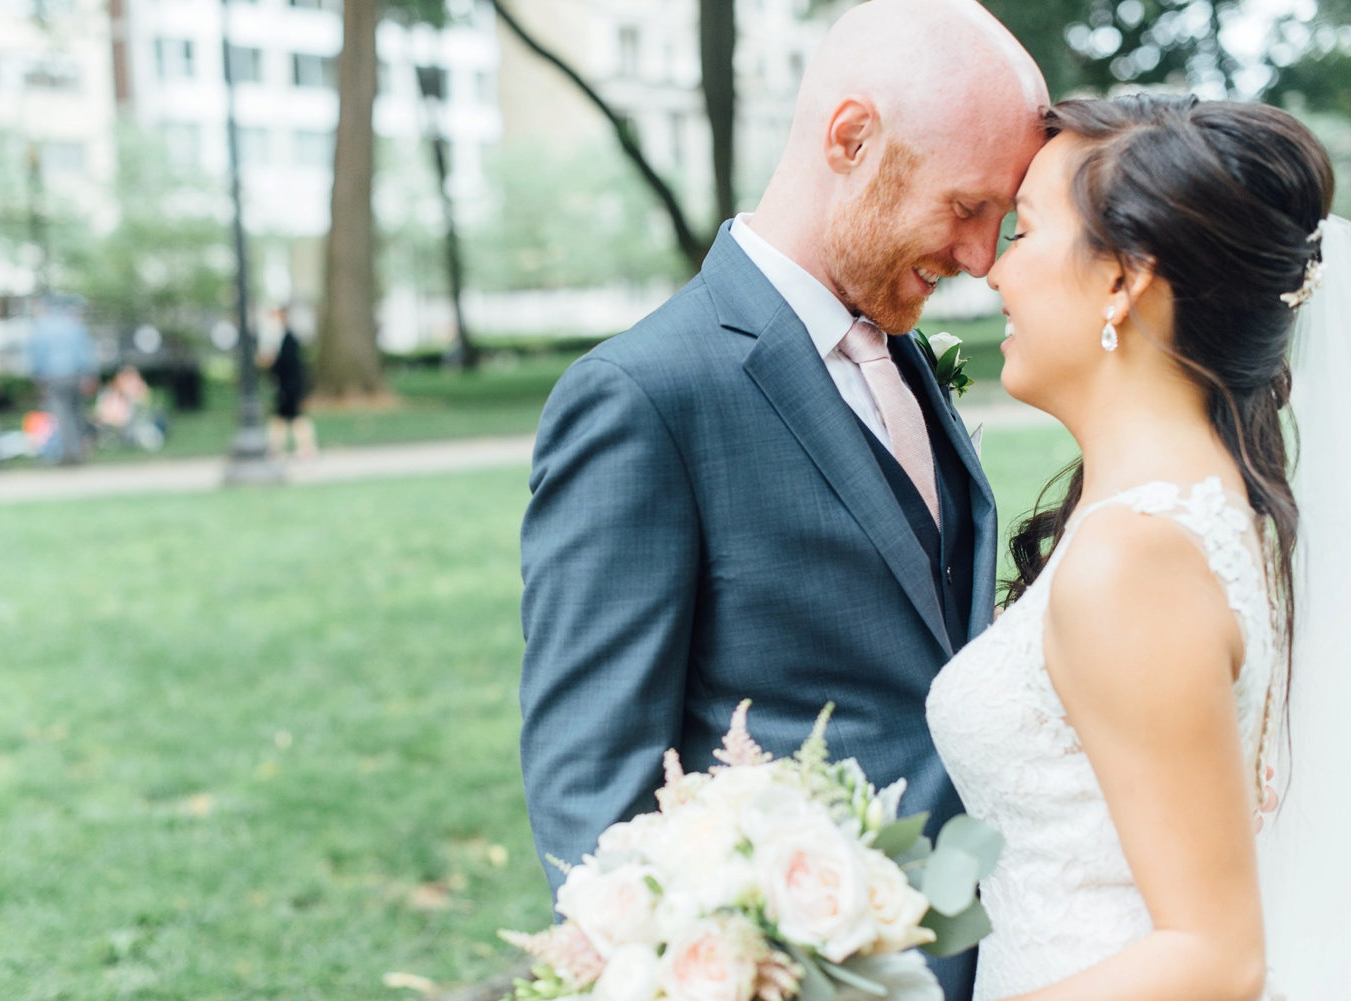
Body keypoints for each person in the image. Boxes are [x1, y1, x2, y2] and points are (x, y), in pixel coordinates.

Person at [517, 3, 1046, 998]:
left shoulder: (908, 356)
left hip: (991, 951)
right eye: (968, 205)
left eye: (1002, 219)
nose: (983, 256)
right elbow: (593, 800)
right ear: (852, 139)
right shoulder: (645, 397)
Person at [926, 97, 1334, 1000]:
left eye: (1025, 232)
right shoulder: (1193, 513)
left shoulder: (1135, 557)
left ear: (1123, 279)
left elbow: (1213, 956)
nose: (995, 270)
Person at [27, 294, 97, 465]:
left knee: (62, 415)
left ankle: (70, 453)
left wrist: (38, 376)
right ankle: (81, 449)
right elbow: (86, 352)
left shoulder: (41, 327)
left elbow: (37, 355)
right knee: (77, 412)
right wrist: (90, 375)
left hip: (53, 377)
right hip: (75, 375)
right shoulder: (73, 325)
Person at [267, 309, 317, 461]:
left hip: (289, 388)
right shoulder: (284, 339)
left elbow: (287, 365)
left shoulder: (289, 340)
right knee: (284, 419)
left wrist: (272, 364)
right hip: (287, 387)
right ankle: (277, 449)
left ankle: (305, 449)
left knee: (293, 418)